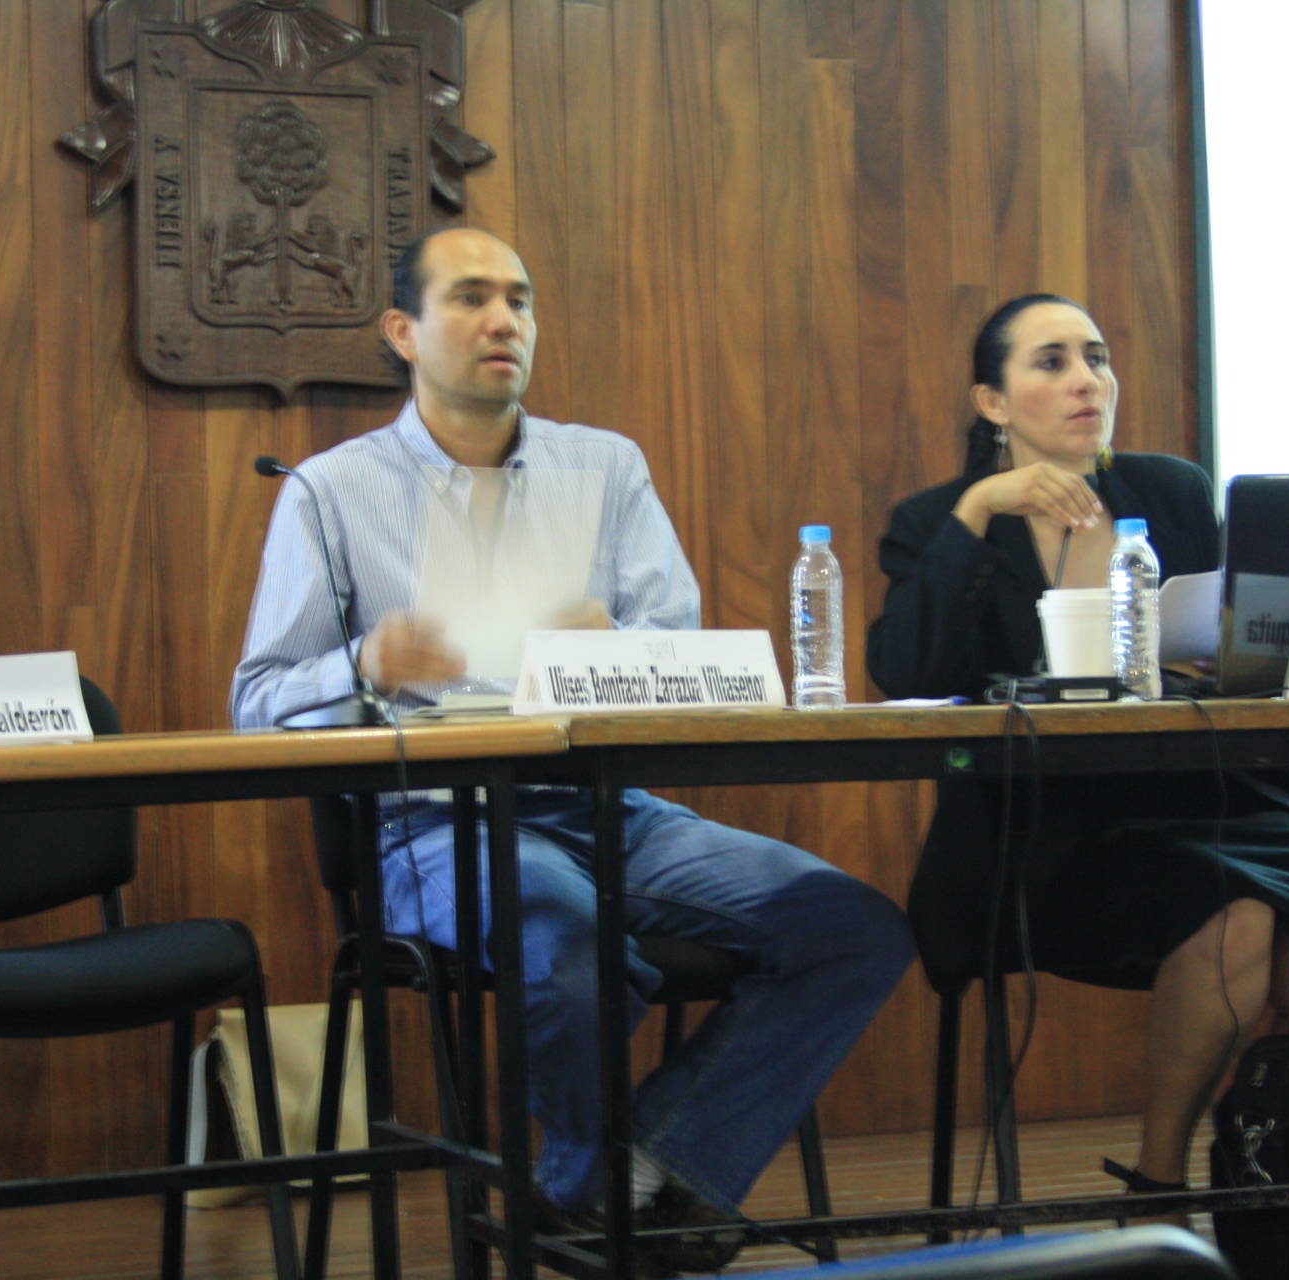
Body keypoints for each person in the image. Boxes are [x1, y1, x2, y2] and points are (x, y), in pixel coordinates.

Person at [233, 227, 913, 1272]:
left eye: (520, 299)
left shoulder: (604, 465)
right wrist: (362, 663)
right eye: (471, 298)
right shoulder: (330, 490)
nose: (504, 320)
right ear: (403, 332)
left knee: (854, 927)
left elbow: (678, 653)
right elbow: (257, 705)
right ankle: (606, 1195)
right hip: (433, 817)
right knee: (564, 935)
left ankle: (627, 1172)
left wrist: (621, 649)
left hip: (606, 802)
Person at [866, 293, 1289, 1201]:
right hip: (1047, 824)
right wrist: (981, 507)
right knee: (1236, 918)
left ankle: (1271, 1178)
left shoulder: (1172, 492)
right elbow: (906, 673)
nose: (1087, 380)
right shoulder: (939, 519)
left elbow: (1244, 644)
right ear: (993, 402)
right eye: (1053, 361)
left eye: (1097, 357)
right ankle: (1160, 1185)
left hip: (1216, 793)